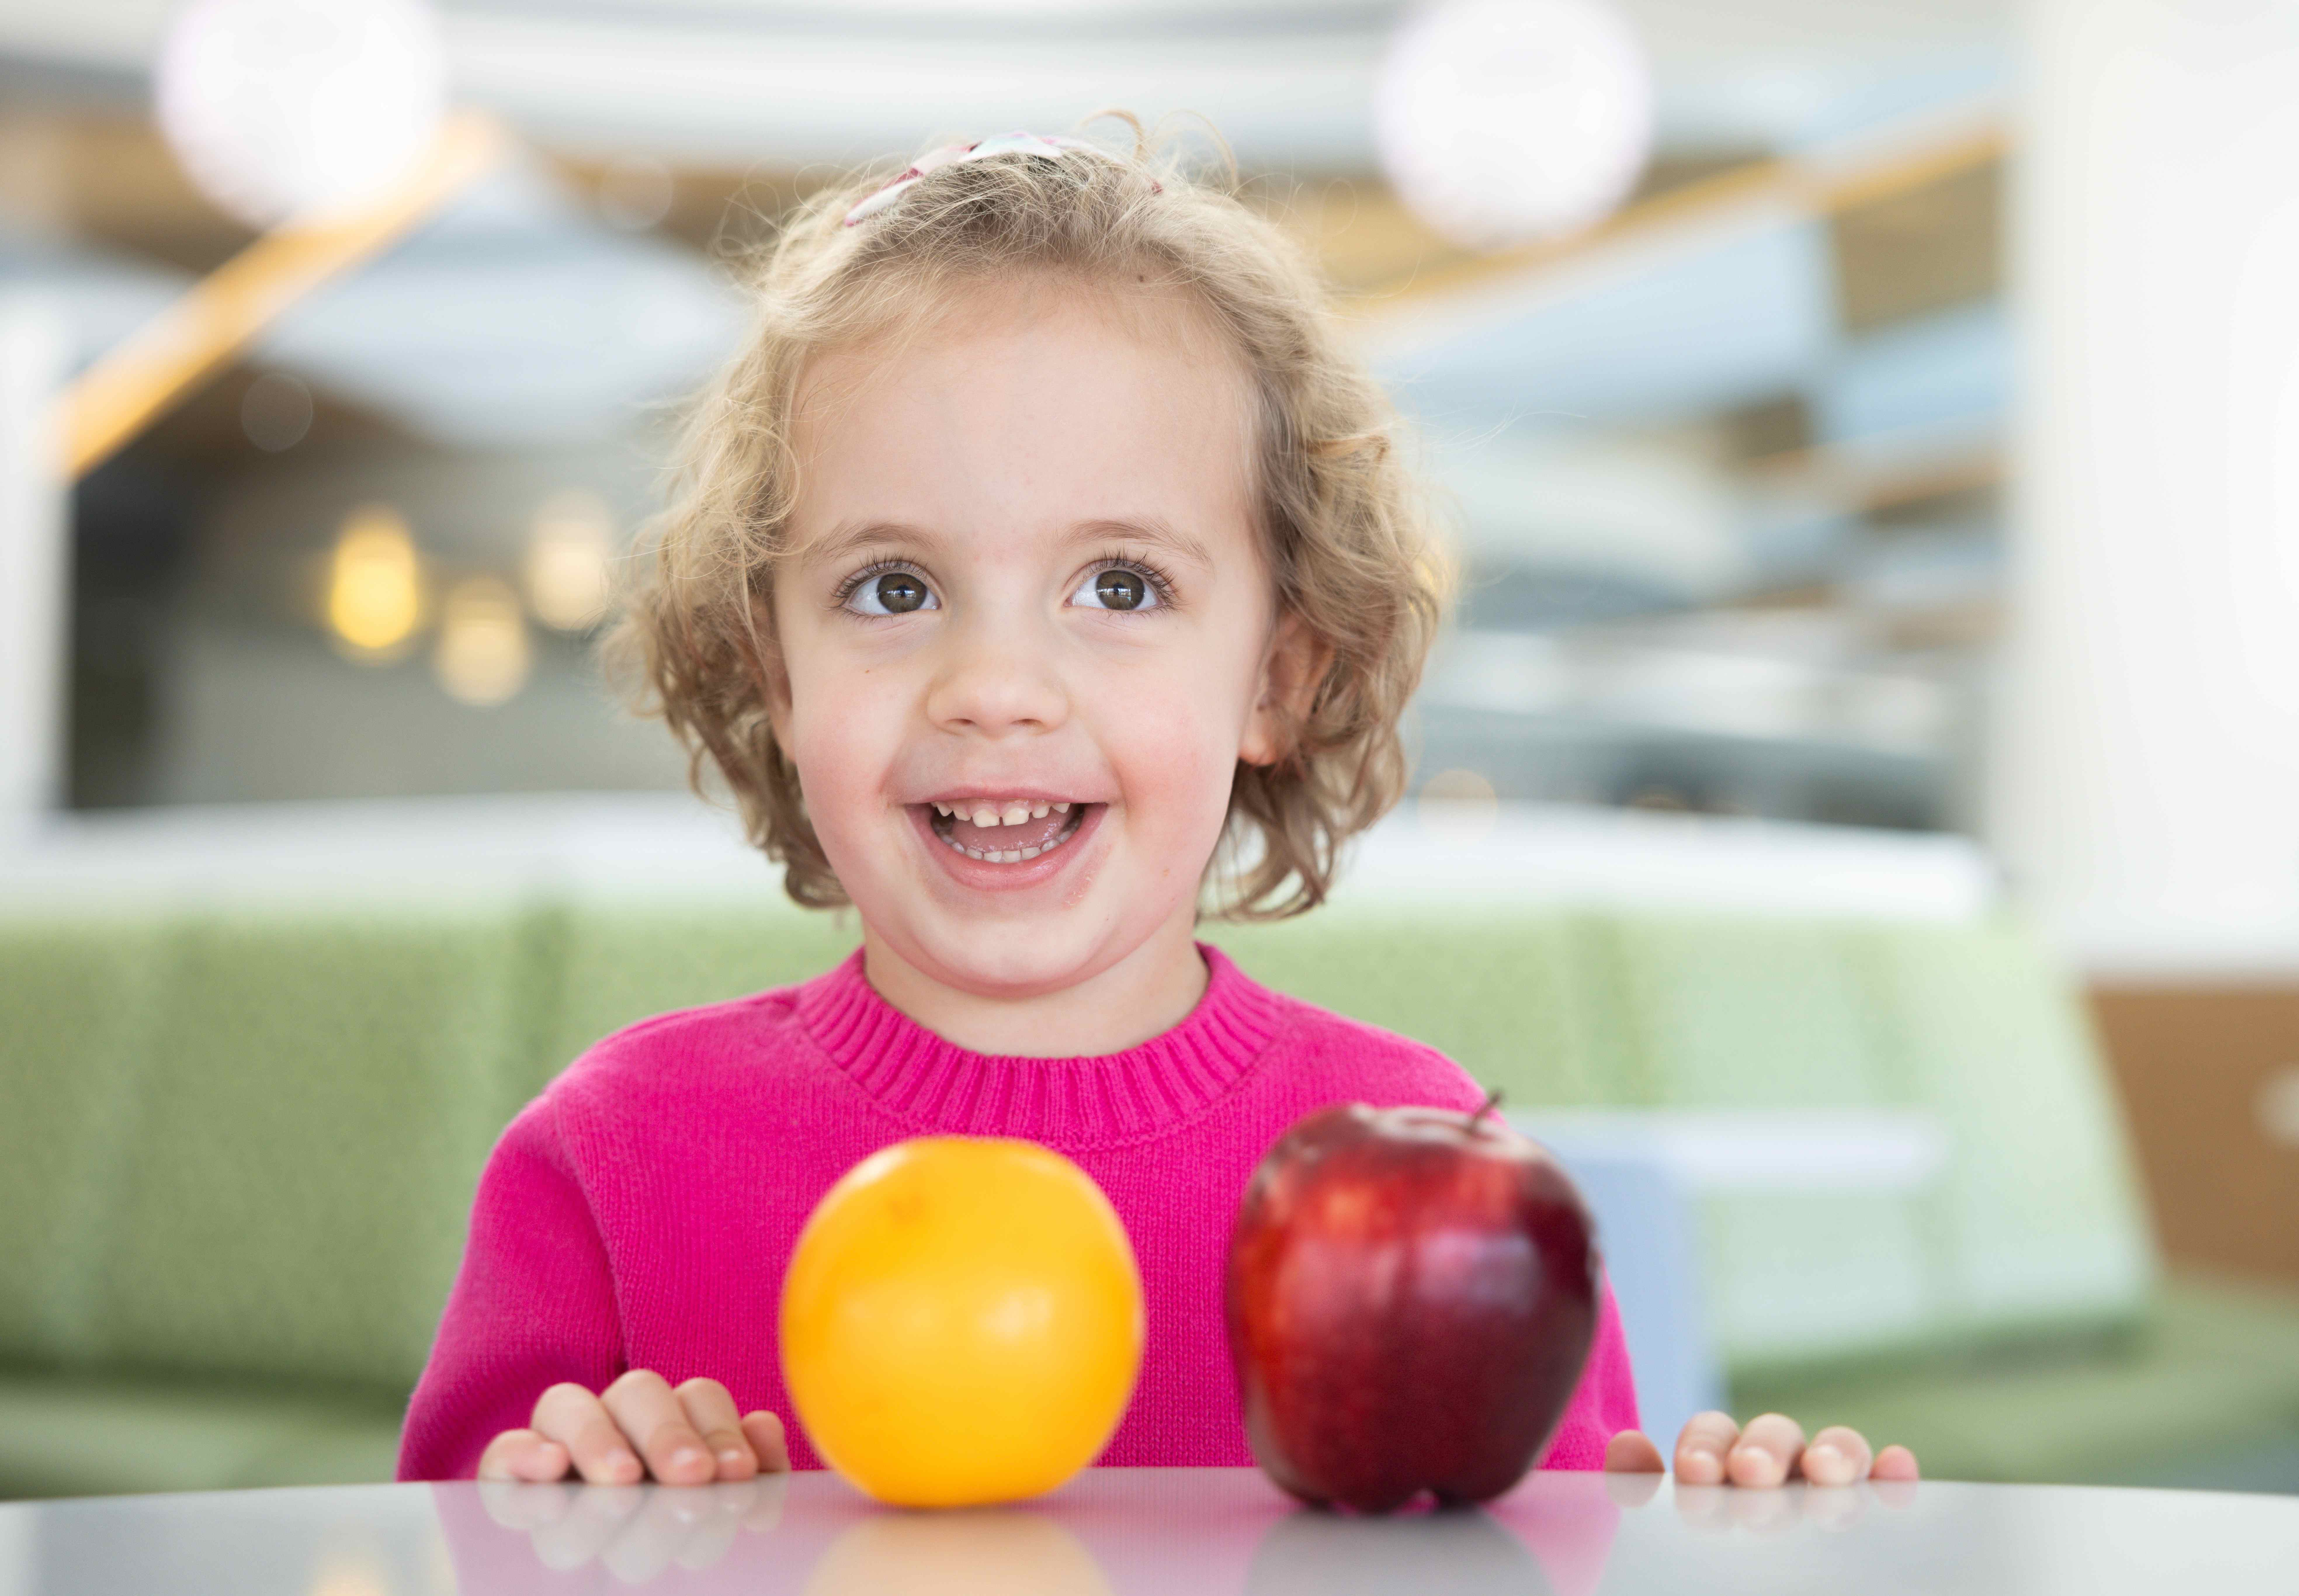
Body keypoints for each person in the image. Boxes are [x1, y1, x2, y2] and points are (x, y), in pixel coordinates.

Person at [396, 129, 1916, 1494]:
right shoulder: (611, 1163)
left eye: (1119, 585)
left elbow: (1550, 1531)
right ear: (777, 678)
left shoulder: (1440, 1166)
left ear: (1279, 675)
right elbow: (449, 1543)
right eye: (893, 587)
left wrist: (1712, 1519)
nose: (995, 685)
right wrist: (569, 1491)